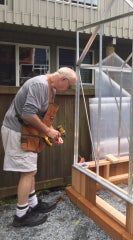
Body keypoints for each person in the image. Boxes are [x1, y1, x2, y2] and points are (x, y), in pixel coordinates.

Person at [1, 67, 77, 227]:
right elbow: (27, 114)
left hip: (28, 133)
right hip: (17, 132)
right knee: (28, 172)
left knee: (31, 170)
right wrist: (47, 131)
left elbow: (42, 118)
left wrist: (52, 133)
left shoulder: (52, 89)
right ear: (63, 80)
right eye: (69, 86)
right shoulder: (40, 85)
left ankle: (33, 204)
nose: (69, 89)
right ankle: (21, 216)